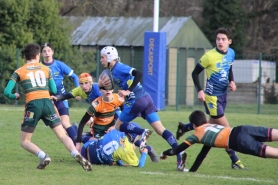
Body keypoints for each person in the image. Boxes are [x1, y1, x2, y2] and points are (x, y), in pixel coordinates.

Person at [3, 43, 92, 171]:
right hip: (48, 103)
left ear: (25, 56)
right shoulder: (46, 69)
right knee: (62, 135)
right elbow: (54, 89)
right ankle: (76, 154)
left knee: (24, 141)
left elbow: (7, 92)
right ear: (38, 55)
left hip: (33, 105)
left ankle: (43, 156)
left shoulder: (19, 71)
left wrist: (14, 96)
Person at [98, 46, 182, 168]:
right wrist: (100, 84)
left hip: (136, 100)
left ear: (110, 57)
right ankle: (180, 153)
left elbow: (139, 74)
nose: (101, 60)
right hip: (146, 98)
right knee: (160, 130)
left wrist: (128, 91)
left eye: (103, 57)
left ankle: (143, 132)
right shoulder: (112, 71)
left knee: (118, 126)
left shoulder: (119, 67)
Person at [176, 28, 246, 169]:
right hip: (211, 97)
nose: (220, 42)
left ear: (229, 41)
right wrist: (200, 90)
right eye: (218, 39)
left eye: (223, 39)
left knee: (209, 125)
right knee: (227, 130)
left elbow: (229, 69)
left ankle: (185, 127)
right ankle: (235, 161)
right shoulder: (209, 56)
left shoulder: (231, 53)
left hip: (223, 95)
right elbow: (195, 73)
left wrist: (232, 81)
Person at [162, 110, 278, 172]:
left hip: (239, 141)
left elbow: (174, 151)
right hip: (242, 129)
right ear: (205, 120)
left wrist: (163, 153)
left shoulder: (197, 135)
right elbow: (202, 154)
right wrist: (192, 171)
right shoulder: (210, 126)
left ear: (193, 125)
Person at [73, 85, 159, 162]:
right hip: (98, 131)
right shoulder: (96, 104)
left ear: (113, 89)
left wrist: (114, 126)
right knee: (79, 138)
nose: (107, 91)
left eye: (109, 88)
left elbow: (122, 115)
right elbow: (83, 122)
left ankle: (148, 148)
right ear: (100, 90)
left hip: (113, 128)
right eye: (104, 89)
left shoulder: (118, 99)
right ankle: (80, 134)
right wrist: (78, 143)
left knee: (127, 138)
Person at [41, 42, 79, 143]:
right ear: (41, 54)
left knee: (65, 123)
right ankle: (76, 131)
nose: (47, 53)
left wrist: (78, 90)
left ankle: (78, 148)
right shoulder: (39, 67)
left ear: (52, 52)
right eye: (44, 51)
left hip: (61, 98)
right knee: (60, 130)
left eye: (49, 51)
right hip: (47, 100)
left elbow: (75, 76)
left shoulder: (59, 65)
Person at [81, 129, 150, 167]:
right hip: (91, 160)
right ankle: (79, 136)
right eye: (138, 137)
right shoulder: (128, 150)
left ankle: (80, 137)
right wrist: (144, 153)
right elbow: (140, 165)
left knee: (96, 140)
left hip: (85, 148)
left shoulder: (116, 131)